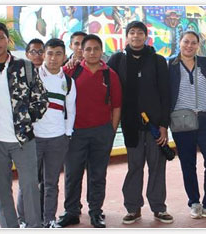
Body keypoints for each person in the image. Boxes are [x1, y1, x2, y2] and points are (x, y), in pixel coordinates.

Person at [0, 22, 49, 228]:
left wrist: (26, 118)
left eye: (0, 37)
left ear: (7, 40)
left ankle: (34, 226)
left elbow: (41, 99)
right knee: (2, 190)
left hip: (23, 139)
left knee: (29, 187)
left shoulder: (25, 66)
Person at [106, 21, 174, 225]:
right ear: (127, 36)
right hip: (130, 125)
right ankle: (133, 208)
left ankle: (159, 208)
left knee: (157, 167)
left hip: (155, 127)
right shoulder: (117, 60)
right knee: (135, 166)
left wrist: (163, 124)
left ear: (146, 36)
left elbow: (165, 94)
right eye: (132, 33)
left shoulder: (158, 61)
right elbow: (105, 86)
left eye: (140, 33)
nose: (136, 36)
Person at [57, 34, 122, 228]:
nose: (92, 53)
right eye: (88, 49)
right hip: (75, 133)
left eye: (96, 49)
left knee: (97, 174)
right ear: (81, 51)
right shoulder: (70, 72)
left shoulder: (110, 75)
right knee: (72, 174)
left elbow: (117, 106)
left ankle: (95, 211)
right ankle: (71, 211)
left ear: (101, 51)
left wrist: (111, 131)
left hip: (102, 132)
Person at [168, 31, 206, 220]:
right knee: (188, 163)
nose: (189, 46)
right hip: (182, 121)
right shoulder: (169, 64)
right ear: (180, 43)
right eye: (186, 42)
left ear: (198, 45)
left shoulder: (205, 63)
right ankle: (194, 202)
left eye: (194, 43)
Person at [31, 38, 77, 228]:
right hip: (33, 139)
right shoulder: (32, 77)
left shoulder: (68, 81)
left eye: (58, 54)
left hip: (57, 139)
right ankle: (26, 220)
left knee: (51, 183)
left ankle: (49, 219)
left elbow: (71, 110)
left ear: (64, 57)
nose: (53, 58)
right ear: (44, 55)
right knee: (30, 183)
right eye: (49, 53)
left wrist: (67, 134)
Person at [16, 37, 46, 227]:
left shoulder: (51, 73)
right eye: (33, 51)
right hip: (27, 136)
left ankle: (40, 217)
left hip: (49, 137)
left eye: (40, 51)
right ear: (27, 54)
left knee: (44, 181)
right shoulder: (20, 74)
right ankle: (23, 218)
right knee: (27, 181)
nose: (37, 55)